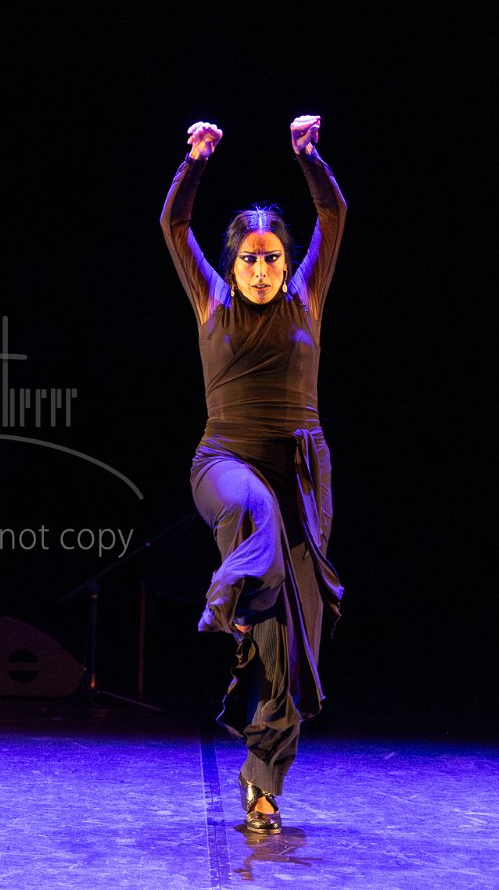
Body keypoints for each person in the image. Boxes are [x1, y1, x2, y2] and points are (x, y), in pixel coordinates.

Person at [158, 115, 346, 835]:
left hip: (302, 473)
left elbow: (333, 214)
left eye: (272, 258)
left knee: (290, 646)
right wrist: (195, 161)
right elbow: (174, 224)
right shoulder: (211, 301)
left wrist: (309, 157)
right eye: (249, 259)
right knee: (254, 510)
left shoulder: (307, 297)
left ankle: (263, 783)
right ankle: (227, 593)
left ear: (287, 263)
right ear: (231, 264)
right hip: (225, 463)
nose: (262, 270)